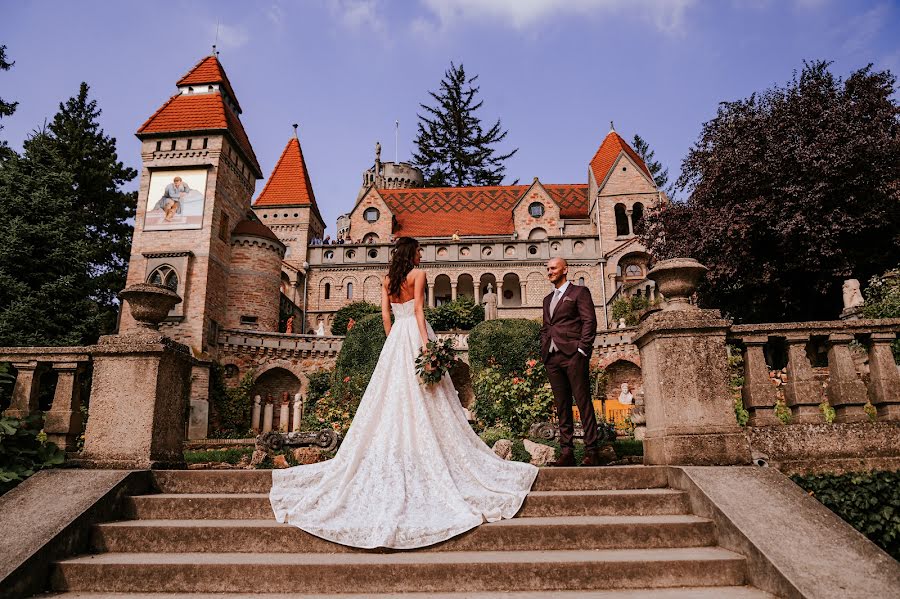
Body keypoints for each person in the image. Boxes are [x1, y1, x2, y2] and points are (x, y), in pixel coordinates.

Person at [270, 237, 537, 549]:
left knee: (390, 399)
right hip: (414, 334)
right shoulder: (418, 275)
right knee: (430, 396)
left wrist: (394, 340)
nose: (422, 254)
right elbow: (421, 312)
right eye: (420, 250)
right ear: (413, 254)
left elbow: (386, 316)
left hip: (396, 337)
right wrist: (427, 346)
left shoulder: (388, 280)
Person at [540, 257, 600, 466]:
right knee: (561, 405)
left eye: (553, 268)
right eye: (547, 268)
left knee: (582, 402)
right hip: (552, 357)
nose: (549, 271)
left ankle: (592, 451)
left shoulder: (579, 292)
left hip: (574, 354)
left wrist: (583, 349)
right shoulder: (548, 299)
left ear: (565, 269)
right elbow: (547, 326)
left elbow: (589, 321)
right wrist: (544, 348)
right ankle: (567, 452)